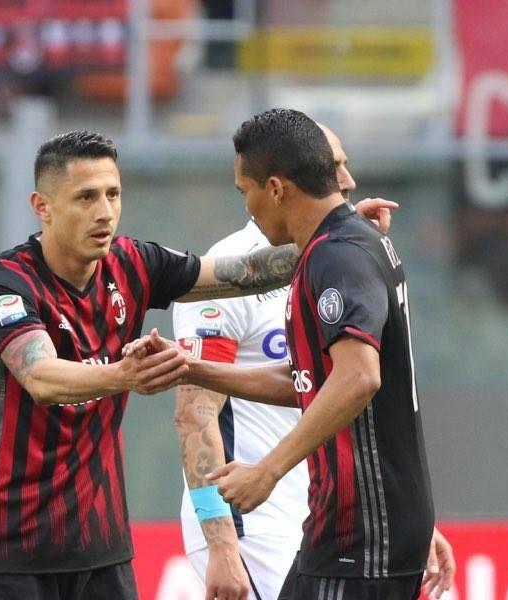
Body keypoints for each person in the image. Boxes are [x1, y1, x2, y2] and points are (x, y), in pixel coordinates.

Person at [0, 129, 393, 600]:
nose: (104, 212)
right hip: (7, 550)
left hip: (100, 550)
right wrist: (122, 375)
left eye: (113, 194)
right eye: (86, 197)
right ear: (42, 206)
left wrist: (337, 232)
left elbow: (244, 273)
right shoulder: (2, 285)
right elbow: (41, 377)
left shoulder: (131, 263)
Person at [128, 109, 438, 600]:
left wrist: (268, 470)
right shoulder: (333, 251)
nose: (347, 181)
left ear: (275, 187)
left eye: (244, 190)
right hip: (302, 520)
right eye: (335, 166)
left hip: (352, 526)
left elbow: (359, 378)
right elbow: (304, 380)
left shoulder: (340, 255)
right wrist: (191, 368)